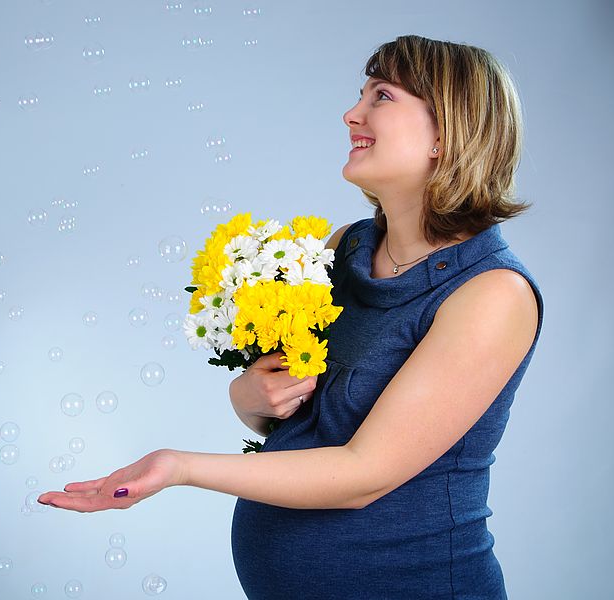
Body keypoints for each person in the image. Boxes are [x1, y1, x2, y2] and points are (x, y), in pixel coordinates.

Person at [38, 34, 544, 600]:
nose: (352, 113)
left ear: (448, 132)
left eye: (382, 96)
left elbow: (361, 473)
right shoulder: (344, 249)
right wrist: (250, 402)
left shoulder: (491, 294)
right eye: (361, 95)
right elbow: (308, 424)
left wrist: (178, 466)